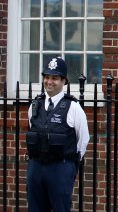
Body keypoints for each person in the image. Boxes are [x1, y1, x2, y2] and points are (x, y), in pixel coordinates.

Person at [26, 56, 90, 212]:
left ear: (64, 81)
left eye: (54, 78)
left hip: (61, 168)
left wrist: (71, 167)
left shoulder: (73, 107)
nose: (49, 81)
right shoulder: (35, 105)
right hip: (36, 167)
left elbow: (83, 139)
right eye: (47, 77)